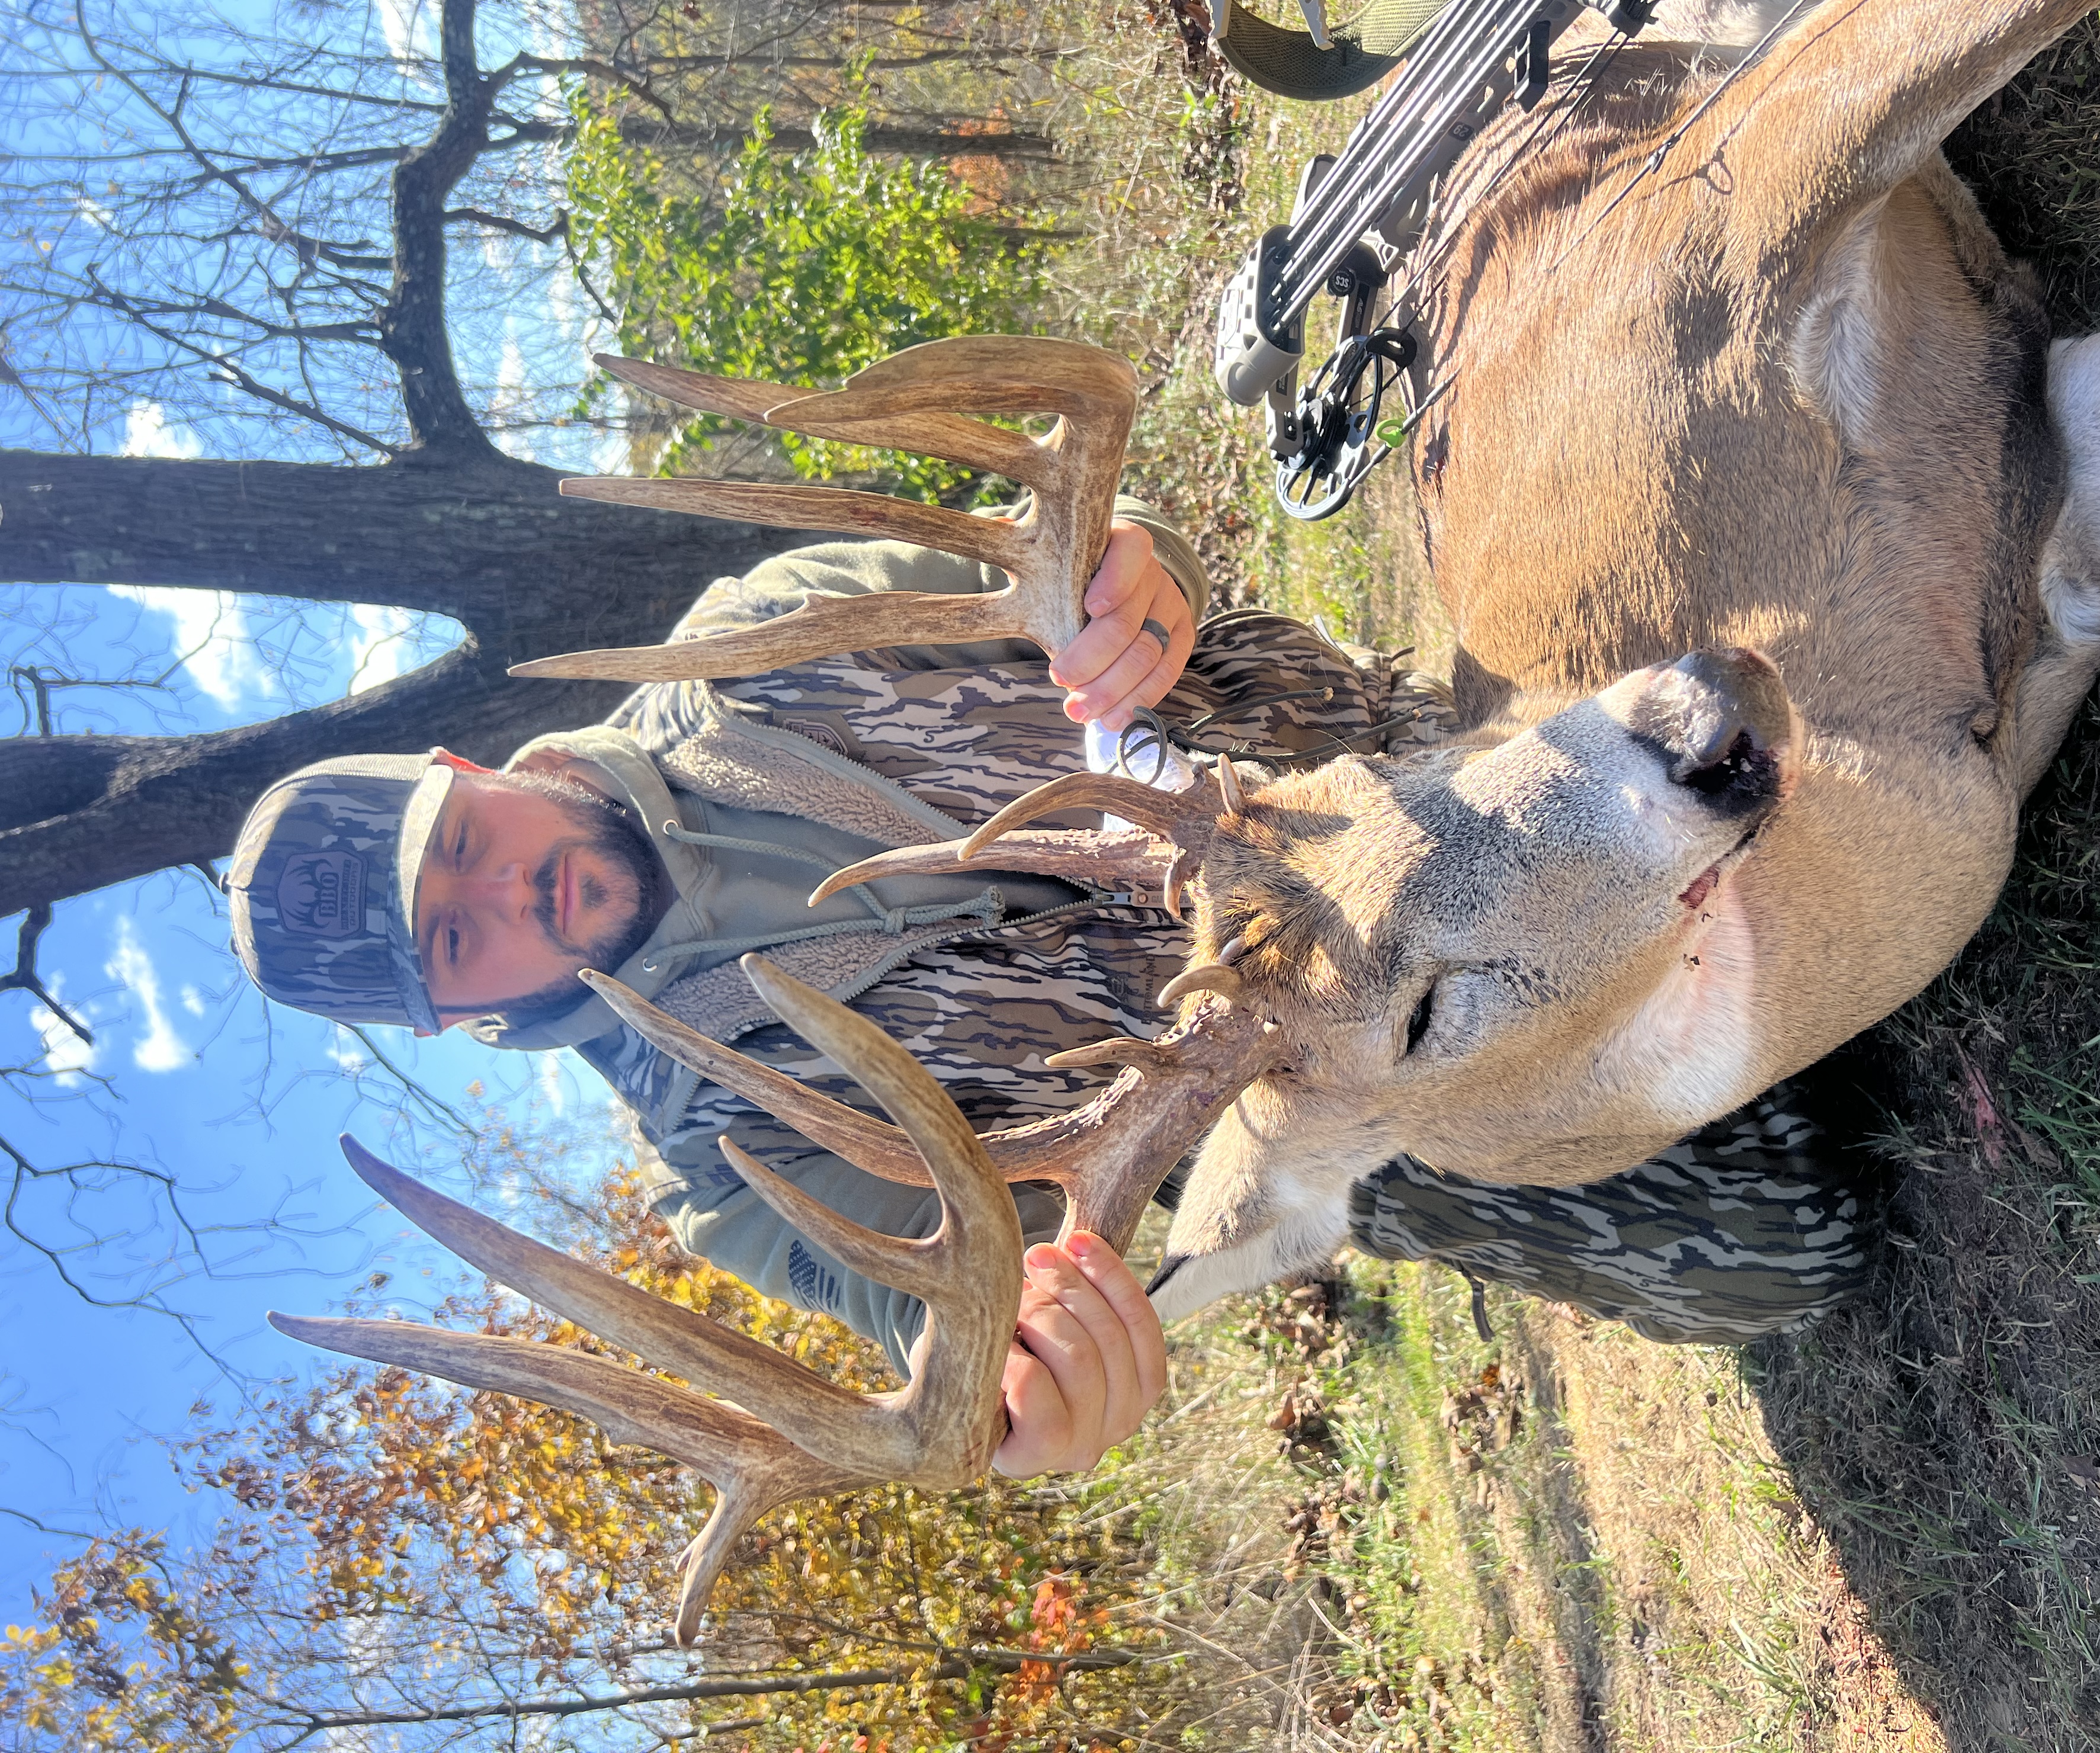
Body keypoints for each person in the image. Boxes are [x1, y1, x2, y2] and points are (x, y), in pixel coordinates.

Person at [229, 502, 1873, 1477]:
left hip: (1407, 786)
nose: (509, 892)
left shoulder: (756, 643)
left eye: (464, 848)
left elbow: (1065, 572)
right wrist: (1022, 1408)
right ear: (459, 1016)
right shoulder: (725, 1169)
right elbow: (943, 1335)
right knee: (1785, 1245)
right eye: (461, 938)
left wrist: (1128, 578)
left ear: (464, 767)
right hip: (1373, 1078)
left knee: (1760, 727)